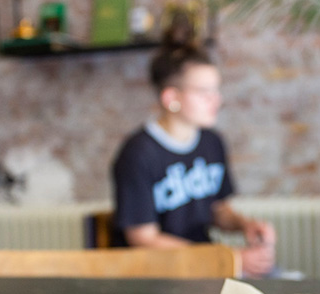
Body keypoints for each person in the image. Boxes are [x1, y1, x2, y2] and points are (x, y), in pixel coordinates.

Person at [111, 42, 276, 278]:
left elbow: (217, 210)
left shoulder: (212, 142)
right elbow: (143, 238)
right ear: (171, 98)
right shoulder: (137, 154)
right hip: (158, 276)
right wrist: (228, 258)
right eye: (204, 92)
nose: (216, 100)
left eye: (216, 91)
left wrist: (244, 225)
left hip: (206, 269)